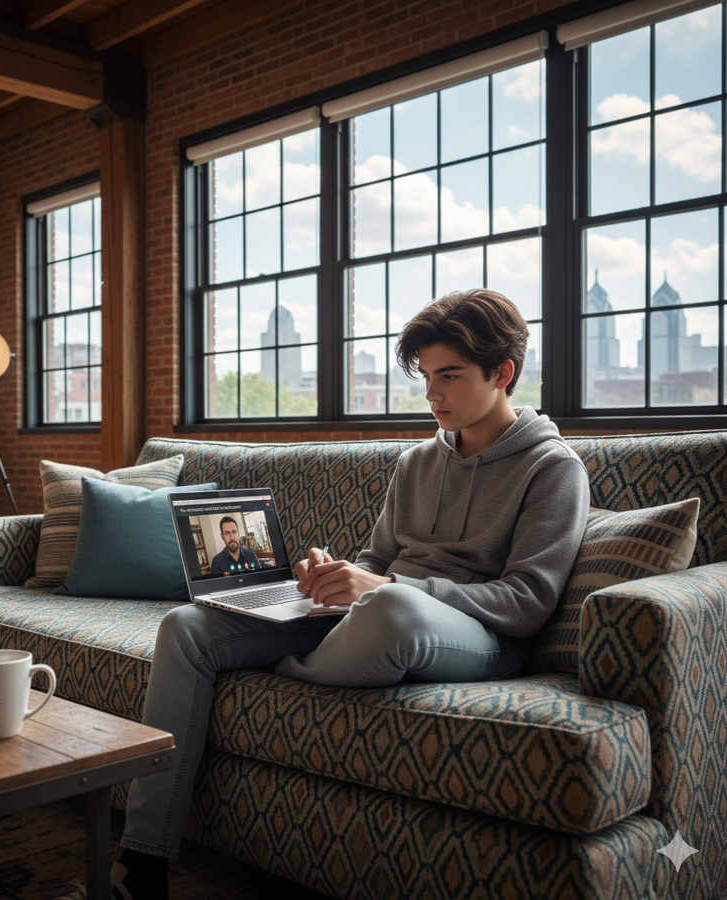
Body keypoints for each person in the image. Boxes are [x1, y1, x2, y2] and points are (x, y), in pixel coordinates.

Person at [55, 289, 590, 900]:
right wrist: (332, 577)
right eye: (426, 376)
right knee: (186, 625)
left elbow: (526, 602)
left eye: (449, 376)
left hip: (478, 640)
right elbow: (376, 561)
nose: (431, 394)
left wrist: (384, 587)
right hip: (376, 615)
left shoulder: (553, 467)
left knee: (391, 608)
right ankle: (142, 867)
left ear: (504, 374)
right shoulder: (416, 461)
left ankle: (285, 666)